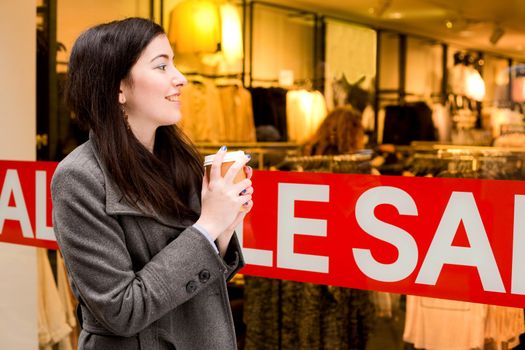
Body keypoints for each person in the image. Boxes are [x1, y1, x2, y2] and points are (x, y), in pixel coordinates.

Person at [51, 17, 253, 350]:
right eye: (161, 66)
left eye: (174, 64)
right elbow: (121, 309)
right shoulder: (79, 178)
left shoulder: (179, 161)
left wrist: (226, 226)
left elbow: (198, 282)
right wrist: (208, 226)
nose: (181, 79)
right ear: (117, 87)